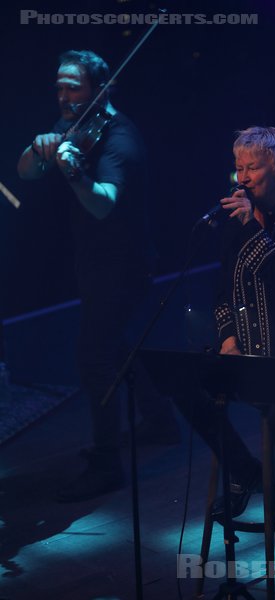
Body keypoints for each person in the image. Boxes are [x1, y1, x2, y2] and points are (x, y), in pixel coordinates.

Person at [17, 50, 179, 502]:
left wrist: (72, 172)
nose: (64, 95)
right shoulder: (74, 120)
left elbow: (104, 203)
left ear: (102, 90)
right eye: (60, 86)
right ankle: (162, 420)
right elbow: (24, 172)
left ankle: (107, 463)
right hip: (94, 261)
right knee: (117, 344)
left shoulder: (120, 140)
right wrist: (39, 147)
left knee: (94, 358)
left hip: (123, 265)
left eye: (74, 87)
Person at [175, 126, 275, 530]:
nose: (242, 178)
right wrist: (228, 338)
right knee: (184, 385)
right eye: (238, 167)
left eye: (253, 168)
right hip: (247, 353)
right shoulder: (234, 223)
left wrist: (251, 228)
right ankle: (243, 469)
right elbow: (223, 292)